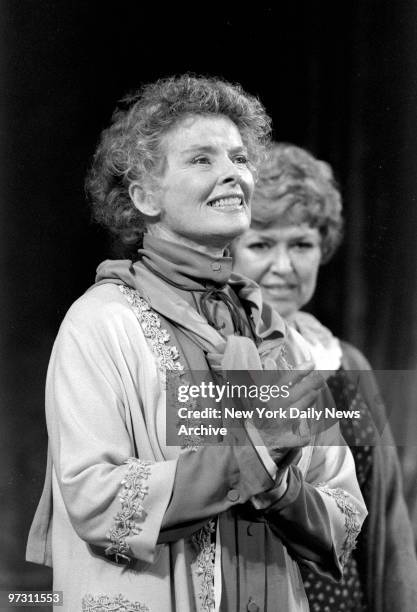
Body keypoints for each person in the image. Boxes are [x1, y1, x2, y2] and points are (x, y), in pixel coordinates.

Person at [26, 77, 366, 612]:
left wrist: (278, 490)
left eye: (238, 158)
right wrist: (252, 454)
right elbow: (95, 500)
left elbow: (345, 513)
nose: (234, 174)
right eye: (202, 160)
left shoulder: (272, 333)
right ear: (144, 197)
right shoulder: (102, 323)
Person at [232, 142, 417, 612]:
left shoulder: (347, 362)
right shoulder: (212, 357)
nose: (284, 266)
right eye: (261, 244)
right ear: (227, 248)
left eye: (301, 244)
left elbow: (388, 518)